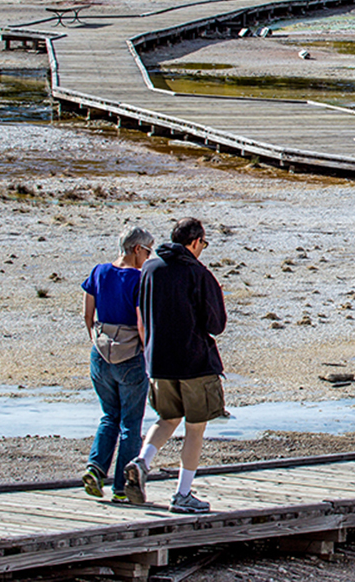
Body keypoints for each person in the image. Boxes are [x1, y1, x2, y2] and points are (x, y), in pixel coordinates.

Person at [125, 217, 226, 514]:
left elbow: (141, 311)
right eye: (203, 243)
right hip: (193, 362)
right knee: (195, 428)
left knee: (167, 418)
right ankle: (183, 493)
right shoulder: (198, 273)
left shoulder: (150, 268)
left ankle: (142, 462)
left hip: (158, 361)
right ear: (194, 242)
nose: (203, 248)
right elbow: (216, 324)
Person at [81, 225, 154, 502]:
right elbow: (141, 323)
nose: (148, 257)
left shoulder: (98, 271)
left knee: (109, 416)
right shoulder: (138, 279)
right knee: (131, 423)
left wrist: (96, 340)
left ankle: (95, 468)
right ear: (136, 249)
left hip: (101, 353)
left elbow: (87, 314)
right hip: (130, 355)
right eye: (147, 251)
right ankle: (122, 488)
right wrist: (148, 354)